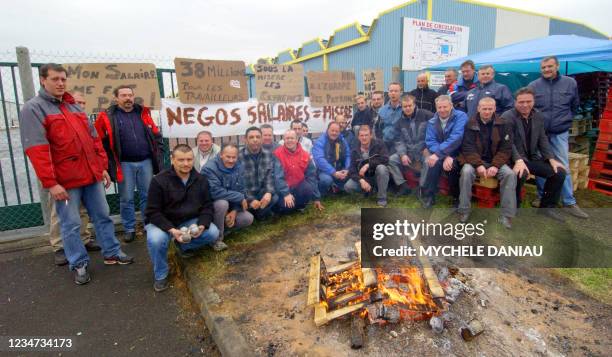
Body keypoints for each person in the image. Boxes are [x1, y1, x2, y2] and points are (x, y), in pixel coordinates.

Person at [20, 63, 133, 285]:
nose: (61, 83)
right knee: (70, 225)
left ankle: (112, 252)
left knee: (103, 216)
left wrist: (101, 168)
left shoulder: (73, 108)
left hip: (91, 177)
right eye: (55, 79)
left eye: (63, 79)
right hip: (66, 181)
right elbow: (37, 150)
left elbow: (93, 141)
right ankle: (79, 263)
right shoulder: (33, 109)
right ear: (43, 80)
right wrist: (51, 183)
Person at [144, 144, 220, 292]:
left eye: (189, 159)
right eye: (181, 160)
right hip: (163, 222)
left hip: (188, 221)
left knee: (213, 233)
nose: (186, 164)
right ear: (172, 160)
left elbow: (207, 206)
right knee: (156, 240)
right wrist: (171, 230)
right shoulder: (159, 180)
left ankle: (183, 246)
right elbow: (152, 212)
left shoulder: (200, 179)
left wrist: (202, 225)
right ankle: (161, 274)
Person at [95, 85, 163, 243]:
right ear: (116, 98)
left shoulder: (143, 112)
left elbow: (155, 134)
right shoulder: (107, 116)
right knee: (126, 198)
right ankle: (129, 228)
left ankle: (149, 225)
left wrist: (158, 151)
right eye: (124, 95)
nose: (128, 98)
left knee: (148, 195)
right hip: (124, 163)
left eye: (130, 95)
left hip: (145, 161)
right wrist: (105, 163)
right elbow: (98, 141)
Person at [528, 56, 588, 219]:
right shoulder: (533, 86)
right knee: (541, 166)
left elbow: (575, 105)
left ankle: (569, 202)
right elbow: (528, 108)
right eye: (544, 67)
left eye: (550, 66)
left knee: (562, 166)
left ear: (557, 66)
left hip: (559, 132)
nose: (547, 69)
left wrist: (566, 120)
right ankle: (543, 197)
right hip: (540, 134)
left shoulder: (570, 83)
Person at [48, 91, 100, 266]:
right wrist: (51, 180)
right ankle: (59, 247)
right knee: (61, 213)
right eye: (78, 102)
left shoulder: (84, 122)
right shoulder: (57, 121)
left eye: (84, 103)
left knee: (82, 210)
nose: (81, 106)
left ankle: (84, 239)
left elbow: (94, 146)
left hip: (85, 173)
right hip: (63, 176)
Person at [502, 87, 567, 221]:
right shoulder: (507, 117)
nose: (525, 105)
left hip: (531, 158)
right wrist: (518, 160)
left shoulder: (538, 116)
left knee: (559, 172)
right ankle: (514, 208)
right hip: (512, 158)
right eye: (521, 102)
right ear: (515, 102)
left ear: (534, 101)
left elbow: (542, 138)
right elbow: (507, 142)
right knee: (520, 174)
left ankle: (547, 208)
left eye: (528, 101)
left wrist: (551, 158)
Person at [457, 97, 516, 228]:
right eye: (484, 108)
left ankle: (506, 215)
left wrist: (495, 165)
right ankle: (464, 210)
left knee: (510, 174)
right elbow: (467, 147)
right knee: (466, 172)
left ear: (495, 109)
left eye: (490, 109)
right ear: (479, 108)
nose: (487, 111)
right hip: (475, 161)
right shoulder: (470, 124)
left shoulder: (504, 124)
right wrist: (478, 165)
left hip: (496, 161)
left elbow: (506, 149)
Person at [202, 145, 254, 249]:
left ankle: (222, 228)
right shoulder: (209, 168)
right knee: (222, 203)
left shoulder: (239, 166)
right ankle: (216, 240)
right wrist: (239, 197)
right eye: (228, 157)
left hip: (230, 206)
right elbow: (214, 192)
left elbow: (242, 189)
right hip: (210, 207)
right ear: (221, 155)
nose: (231, 160)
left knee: (248, 218)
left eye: (234, 157)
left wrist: (234, 210)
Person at [420, 95, 468, 208]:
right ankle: (429, 196)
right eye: (439, 107)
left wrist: (439, 154)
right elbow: (431, 141)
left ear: (451, 106)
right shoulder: (432, 121)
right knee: (432, 163)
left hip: (459, 152)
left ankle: (456, 197)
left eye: (445, 107)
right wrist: (443, 156)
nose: (442, 110)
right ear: (436, 108)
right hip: (441, 154)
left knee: (452, 166)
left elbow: (457, 137)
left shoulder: (461, 116)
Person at [388, 95, 432, 196]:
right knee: (391, 160)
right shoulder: (400, 122)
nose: (407, 108)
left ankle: (422, 188)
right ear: (401, 107)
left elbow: (434, 133)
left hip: (423, 150)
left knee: (428, 161)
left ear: (414, 105)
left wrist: (428, 147)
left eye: (409, 105)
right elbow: (399, 141)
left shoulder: (426, 115)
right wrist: (403, 154)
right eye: (405, 106)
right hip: (408, 152)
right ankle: (403, 186)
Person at [273, 130, 324, 213]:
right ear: (284, 140)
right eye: (287, 138)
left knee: (308, 187)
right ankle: (287, 206)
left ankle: (300, 206)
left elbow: (312, 177)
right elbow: (278, 177)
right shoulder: (277, 154)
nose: (289, 140)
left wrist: (316, 198)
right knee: (285, 209)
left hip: (298, 187)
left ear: (297, 140)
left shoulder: (305, 155)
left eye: (292, 138)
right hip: (283, 189)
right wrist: (286, 194)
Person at [345, 125, 390, 207]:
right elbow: (352, 170)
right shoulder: (354, 149)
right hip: (364, 178)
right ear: (358, 137)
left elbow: (385, 159)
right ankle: (368, 191)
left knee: (382, 168)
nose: (364, 138)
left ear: (371, 135)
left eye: (366, 135)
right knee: (348, 186)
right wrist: (361, 181)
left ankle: (382, 198)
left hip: (377, 176)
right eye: (362, 135)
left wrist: (368, 165)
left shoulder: (379, 144)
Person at [239, 127, 279, 220]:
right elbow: (237, 183)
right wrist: (250, 199)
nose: (255, 140)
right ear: (245, 139)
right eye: (251, 137)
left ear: (261, 139)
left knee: (274, 196)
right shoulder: (238, 157)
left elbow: (270, 175)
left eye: (257, 137)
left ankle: (259, 215)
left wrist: (268, 192)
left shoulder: (268, 154)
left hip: (260, 192)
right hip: (245, 195)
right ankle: (251, 213)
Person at [312, 122, 351, 195]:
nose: (334, 133)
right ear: (327, 130)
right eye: (332, 130)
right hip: (324, 171)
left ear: (339, 132)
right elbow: (319, 160)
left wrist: (346, 169)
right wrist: (333, 172)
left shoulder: (342, 140)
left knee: (350, 175)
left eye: (337, 131)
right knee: (326, 180)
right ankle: (323, 192)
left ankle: (335, 188)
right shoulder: (320, 141)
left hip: (339, 169)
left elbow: (348, 155)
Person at [379, 82, 403, 151]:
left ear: (401, 93)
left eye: (396, 91)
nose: (393, 93)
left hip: (400, 144)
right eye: (391, 91)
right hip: (385, 143)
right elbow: (378, 128)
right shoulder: (382, 110)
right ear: (388, 93)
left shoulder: (405, 109)